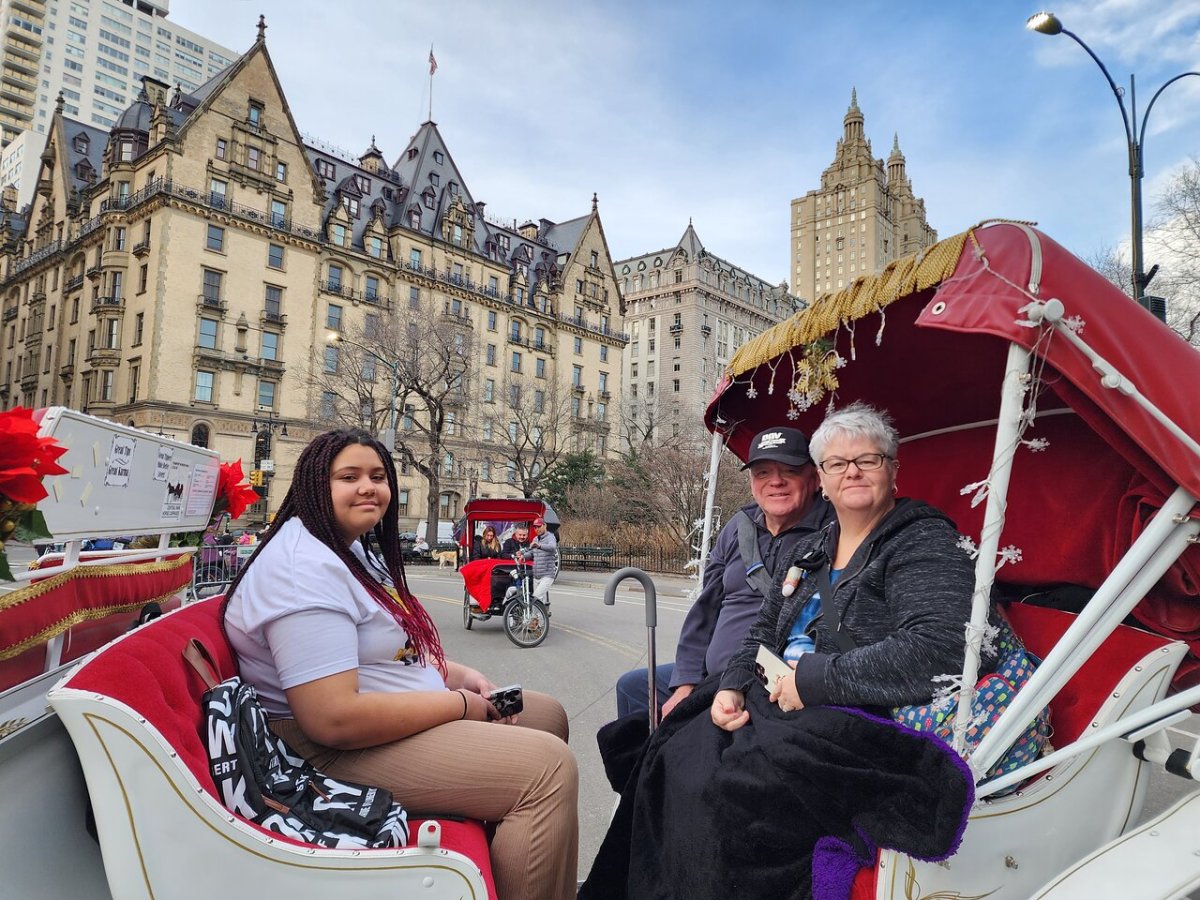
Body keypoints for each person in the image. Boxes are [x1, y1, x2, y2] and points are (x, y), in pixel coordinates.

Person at [222, 429, 578, 900]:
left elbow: (390, 651)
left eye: (378, 476)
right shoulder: (301, 568)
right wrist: (459, 706)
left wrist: (461, 676)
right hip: (327, 752)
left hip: (388, 714)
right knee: (547, 770)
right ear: (314, 485)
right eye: (348, 477)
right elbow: (333, 719)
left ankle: (520, 858)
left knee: (546, 714)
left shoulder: (346, 549)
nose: (368, 487)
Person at [713, 401, 992, 728]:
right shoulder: (808, 549)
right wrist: (734, 683)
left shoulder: (925, 541)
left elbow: (942, 646)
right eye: (836, 463)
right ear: (822, 479)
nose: (852, 471)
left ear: (893, 470)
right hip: (778, 703)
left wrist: (815, 682)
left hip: (859, 721)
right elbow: (763, 630)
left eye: (868, 460)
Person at [614, 426, 829, 719]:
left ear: (815, 477)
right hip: (710, 675)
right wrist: (685, 681)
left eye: (789, 470)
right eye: (762, 472)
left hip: (772, 683)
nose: (775, 481)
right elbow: (706, 608)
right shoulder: (738, 526)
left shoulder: (834, 531)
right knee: (633, 688)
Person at [519, 517, 557, 604]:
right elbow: (532, 552)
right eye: (535, 527)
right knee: (540, 601)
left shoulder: (550, 537)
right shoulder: (535, 539)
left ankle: (537, 617)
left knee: (536, 597)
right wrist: (523, 556)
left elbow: (552, 547)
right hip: (536, 575)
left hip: (547, 575)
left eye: (539, 526)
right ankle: (538, 617)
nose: (537, 529)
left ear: (545, 526)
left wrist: (539, 546)